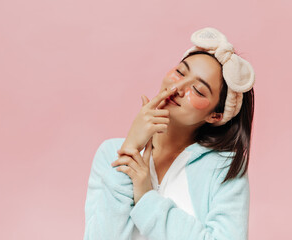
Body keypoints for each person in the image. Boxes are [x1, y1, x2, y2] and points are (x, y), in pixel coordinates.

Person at [84, 27, 255, 240]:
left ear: (216, 115)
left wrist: (147, 198)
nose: (178, 88)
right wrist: (130, 149)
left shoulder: (224, 168)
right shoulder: (110, 153)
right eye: (180, 72)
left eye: (199, 90)